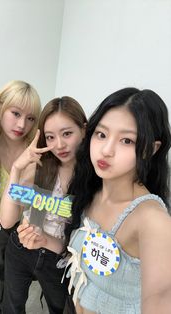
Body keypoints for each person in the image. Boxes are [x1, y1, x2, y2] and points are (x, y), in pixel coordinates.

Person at [63, 87, 171, 314]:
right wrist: (44, 240)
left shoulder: (153, 220)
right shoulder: (91, 192)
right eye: (101, 134)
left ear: (151, 149)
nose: (106, 150)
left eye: (127, 141)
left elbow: (160, 301)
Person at [0, 96, 87, 314]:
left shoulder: (93, 178)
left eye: (67, 133)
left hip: (59, 258)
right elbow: (7, 220)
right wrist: (17, 169)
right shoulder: (39, 167)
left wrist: (46, 241)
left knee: (60, 308)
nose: (59, 145)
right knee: (11, 306)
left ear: (84, 130)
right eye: (50, 137)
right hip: (21, 248)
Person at [0, 80, 41, 313]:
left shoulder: (34, 152)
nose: (22, 124)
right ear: (0, 107)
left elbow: (19, 209)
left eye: (31, 118)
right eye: (16, 113)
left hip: (21, 219)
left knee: (17, 250)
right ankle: (3, 301)